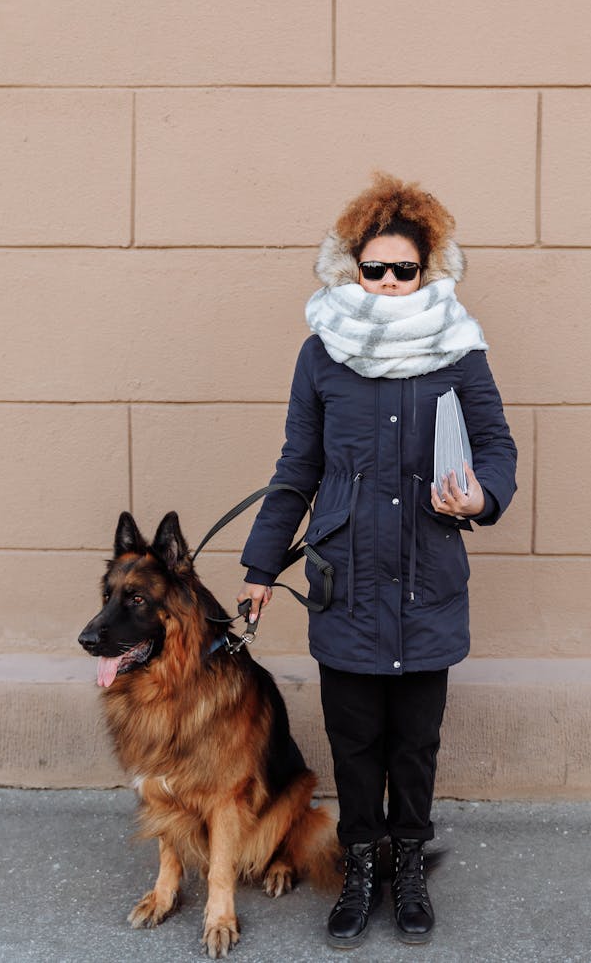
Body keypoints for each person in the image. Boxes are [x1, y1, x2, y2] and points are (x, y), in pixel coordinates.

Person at [240, 173, 517, 948]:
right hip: (346, 581)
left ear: (429, 271)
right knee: (355, 737)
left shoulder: (458, 349)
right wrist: (261, 569)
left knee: (414, 741)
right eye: (375, 269)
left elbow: (497, 446)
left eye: (405, 269)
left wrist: (482, 496)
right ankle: (361, 865)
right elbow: (297, 466)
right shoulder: (321, 353)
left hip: (428, 578)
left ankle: (408, 862)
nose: (390, 283)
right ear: (350, 269)